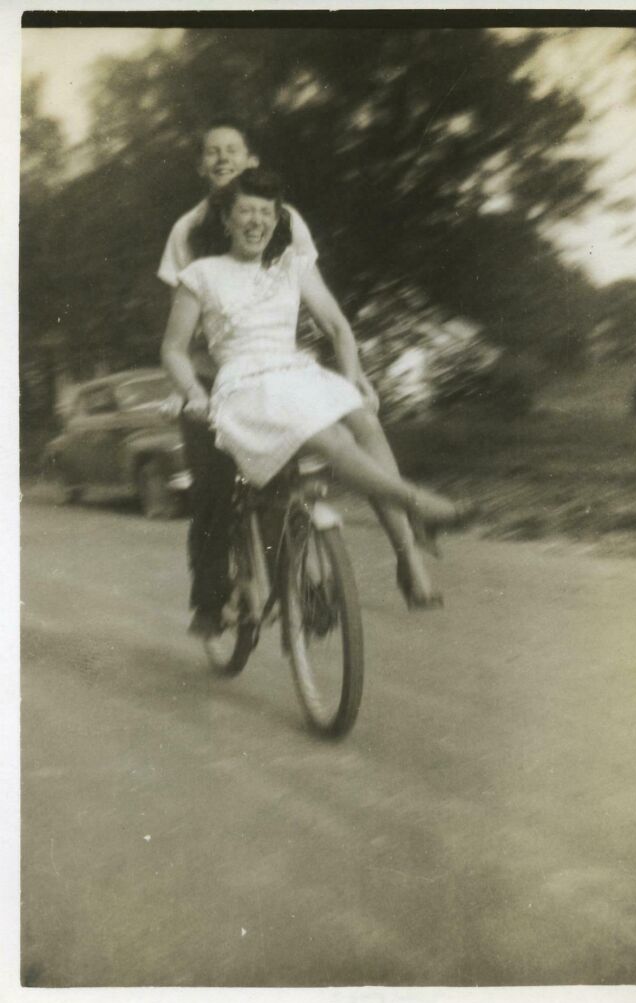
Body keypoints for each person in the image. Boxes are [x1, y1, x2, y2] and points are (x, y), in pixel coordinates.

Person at [159, 119, 447, 638]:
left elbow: (327, 314)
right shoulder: (188, 233)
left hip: (283, 367)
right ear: (202, 168)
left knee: (356, 425)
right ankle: (212, 601)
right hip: (218, 375)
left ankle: (406, 556)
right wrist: (192, 390)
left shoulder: (284, 227)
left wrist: (355, 377)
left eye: (233, 151)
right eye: (212, 152)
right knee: (214, 492)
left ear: (250, 160)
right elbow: (183, 334)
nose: (223, 159)